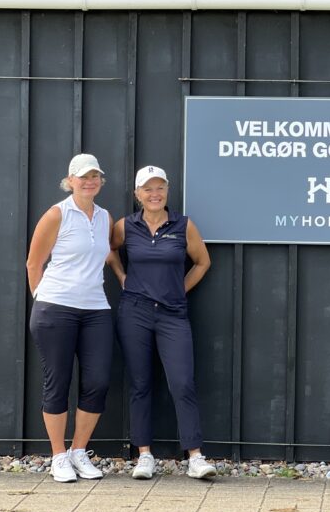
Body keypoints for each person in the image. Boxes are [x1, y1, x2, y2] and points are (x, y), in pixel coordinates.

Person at [111, 165, 217, 480]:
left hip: (172, 313)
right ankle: (144, 455)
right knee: (140, 383)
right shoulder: (125, 226)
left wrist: (179, 289)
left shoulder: (183, 225)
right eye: (148, 189)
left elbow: (203, 262)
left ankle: (195, 456)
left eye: (160, 188)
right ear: (137, 194)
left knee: (182, 383)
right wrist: (122, 276)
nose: (154, 194)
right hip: (134, 312)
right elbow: (109, 250)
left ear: (167, 191)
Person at [26, 153, 121, 483]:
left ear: (100, 181)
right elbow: (34, 263)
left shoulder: (105, 217)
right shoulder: (57, 214)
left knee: (98, 382)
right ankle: (58, 456)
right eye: (83, 177)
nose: (89, 181)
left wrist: (122, 275)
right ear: (70, 181)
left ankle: (79, 451)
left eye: (94, 176)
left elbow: (107, 252)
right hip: (55, 308)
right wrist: (43, 300)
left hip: (96, 309)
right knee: (58, 382)